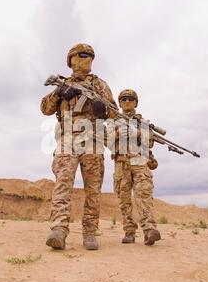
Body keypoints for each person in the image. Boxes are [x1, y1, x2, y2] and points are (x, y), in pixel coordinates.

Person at [40, 43, 118, 250]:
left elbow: (115, 113)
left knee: (93, 188)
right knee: (63, 184)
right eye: (82, 56)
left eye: (89, 56)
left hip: (93, 141)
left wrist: (103, 109)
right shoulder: (63, 84)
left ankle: (90, 232)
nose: (86, 60)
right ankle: (59, 229)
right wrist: (58, 94)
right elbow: (45, 109)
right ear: (71, 60)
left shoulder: (100, 85)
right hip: (67, 140)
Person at [108, 89, 161, 245]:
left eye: (130, 99)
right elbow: (106, 141)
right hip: (121, 163)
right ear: (119, 103)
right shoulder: (112, 121)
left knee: (144, 196)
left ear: (136, 102)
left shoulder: (143, 123)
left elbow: (150, 142)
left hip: (139, 162)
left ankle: (149, 230)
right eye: (123, 99)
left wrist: (137, 133)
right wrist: (117, 133)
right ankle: (129, 232)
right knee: (124, 200)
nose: (126, 102)